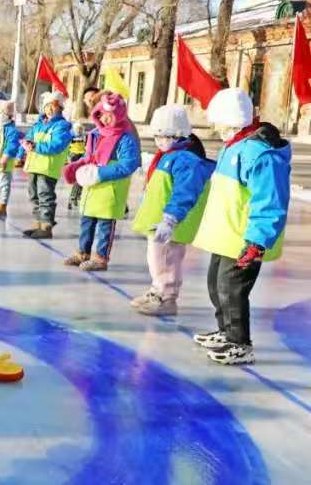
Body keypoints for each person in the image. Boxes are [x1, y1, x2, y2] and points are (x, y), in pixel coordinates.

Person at [192, 88, 291, 365]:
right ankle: (225, 331)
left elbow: (270, 200)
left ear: (237, 122)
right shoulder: (234, 144)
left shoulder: (261, 154)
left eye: (223, 125)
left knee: (232, 288)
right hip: (225, 234)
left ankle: (240, 343)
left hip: (244, 238)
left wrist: (257, 241)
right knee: (215, 283)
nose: (218, 130)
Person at [129, 105, 213, 317]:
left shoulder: (186, 160)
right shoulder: (168, 156)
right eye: (156, 136)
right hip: (160, 220)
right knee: (157, 260)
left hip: (171, 222)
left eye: (165, 136)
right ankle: (158, 290)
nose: (159, 141)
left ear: (180, 134)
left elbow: (184, 192)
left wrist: (170, 219)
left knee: (167, 260)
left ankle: (167, 297)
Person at [63, 92, 140, 272]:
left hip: (110, 187)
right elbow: (89, 156)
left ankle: (101, 257)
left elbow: (128, 164)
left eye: (110, 116)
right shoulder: (95, 133)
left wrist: (99, 172)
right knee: (86, 220)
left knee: (106, 224)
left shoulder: (125, 137)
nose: (105, 119)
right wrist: (76, 167)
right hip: (92, 187)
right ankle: (83, 251)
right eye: (102, 115)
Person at [21, 92, 73, 239]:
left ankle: (46, 226)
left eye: (53, 106)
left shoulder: (62, 126)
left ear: (60, 108)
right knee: (34, 195)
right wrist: (24, 147)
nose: (49, 109)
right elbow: (28, 138)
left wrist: (35, 146)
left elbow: (56, 146)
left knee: (45, 196)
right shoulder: (38, 124)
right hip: (34, 166)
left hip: (48, 168)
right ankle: (37, 223)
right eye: (47, 106)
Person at [66, 122, 87, 210]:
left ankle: (76, 196)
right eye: (78, 129)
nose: (79, 130)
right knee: (77, 179)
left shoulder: (84, 136)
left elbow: (86, 147)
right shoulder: (71, 136)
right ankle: (73, 197)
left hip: (82, 157)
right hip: (73, 157)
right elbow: (67, 147)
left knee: (81, 179)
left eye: (80, 129)